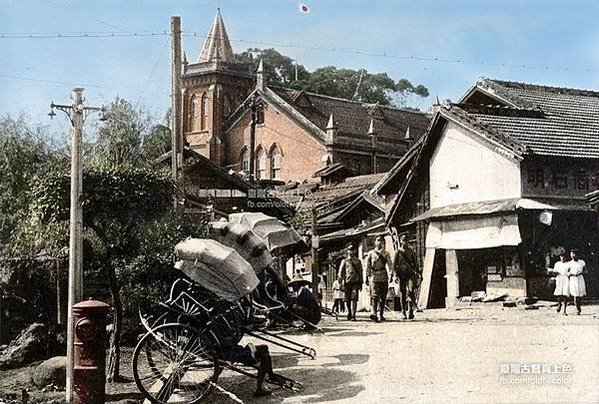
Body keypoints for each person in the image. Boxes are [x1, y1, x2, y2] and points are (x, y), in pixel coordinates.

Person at [393, 234, 420, 319]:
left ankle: (410, 310)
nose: (405, 242)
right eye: (403, 240)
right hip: (401, 275)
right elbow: (394, 265)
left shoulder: (411, 251)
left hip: (410, 274)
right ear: (400, 241)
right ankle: (403, 311)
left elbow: (415, 263)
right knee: (403, 293)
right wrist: (395, 275)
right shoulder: (398, 251)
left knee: (411, 291)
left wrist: (418, 273)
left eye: (406, 240)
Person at [366, 235, 393, 322]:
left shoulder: (386, 253)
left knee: (383, 296)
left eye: (381, 240)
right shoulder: (371, 253)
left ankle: (381, 314)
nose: (379, 242)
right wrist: (366, 277)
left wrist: (391, 274)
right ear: (375, 242)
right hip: (374, 275)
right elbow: (368, 266)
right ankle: (374, 314)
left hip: (383, 275)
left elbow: (390, 265)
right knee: (374, 296)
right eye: (378, 240)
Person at [337, 243, 363, 321]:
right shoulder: (344, 261)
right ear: (347, 251)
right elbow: (340, 271)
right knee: (347, 299)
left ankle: (353, 315)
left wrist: (361, 282)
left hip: (355, 281)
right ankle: (349, 312)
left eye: (352, 250)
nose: (351, 251)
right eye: (349, 250)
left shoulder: (358, 261)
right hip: (347, 282)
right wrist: (340, 281)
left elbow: (360, 272)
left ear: (355, 251)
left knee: (354, 298)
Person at [550, 251, 570, 315]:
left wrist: (568, 274)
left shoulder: (568, 264)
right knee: (559, 293)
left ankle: (564, 310)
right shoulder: (557, 264)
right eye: (561, 257)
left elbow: (570, 271)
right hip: (559, 278)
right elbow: (554, 272)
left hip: (566, 279)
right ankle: (559, 304)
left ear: (566, 258)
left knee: (565, 294)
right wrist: (555, 273)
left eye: (564, 257)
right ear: (560, 257)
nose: (563, 258)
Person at [568, 248, 587, 315]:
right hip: (573, 279)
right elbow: (567, 272)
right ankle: (577, 308)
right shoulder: (569, 263)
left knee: (580, 294)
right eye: (572, 254)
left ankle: (579, 305)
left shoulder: (581, 262)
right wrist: (571, 274)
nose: (573, 255)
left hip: (580, 278)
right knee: (575, 294)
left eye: (574, 254)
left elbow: (586, 271)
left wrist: (580, 273)